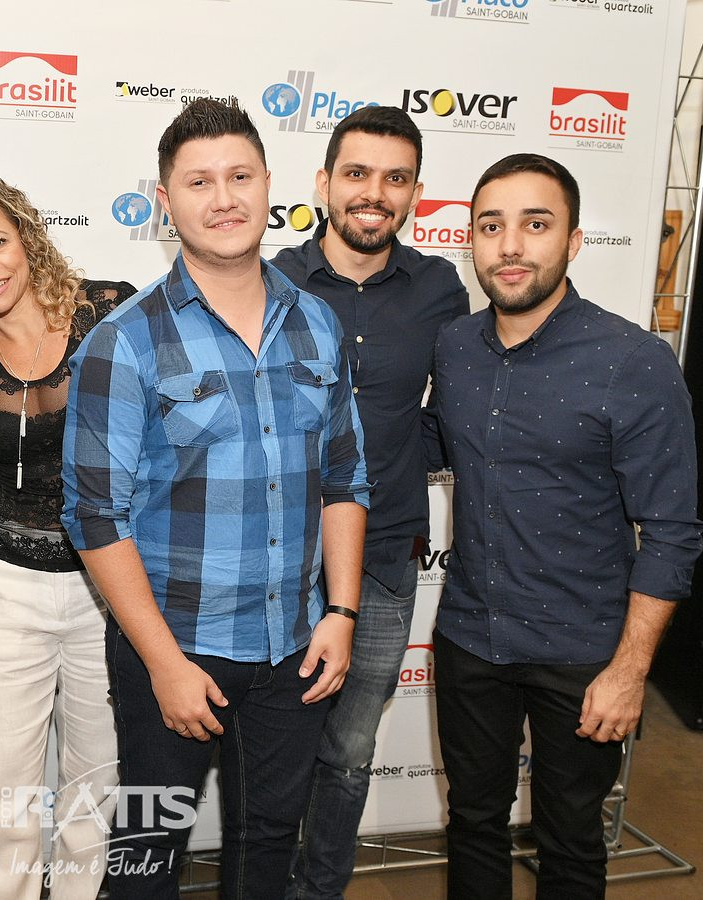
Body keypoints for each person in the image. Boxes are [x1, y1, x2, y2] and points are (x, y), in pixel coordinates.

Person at [62, 97, 371, 898]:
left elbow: (345, 477)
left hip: (295, 646)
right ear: (166, 202)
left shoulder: (317, 324)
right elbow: (95, 518)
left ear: (269, 185)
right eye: (199, 182)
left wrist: (341, 612)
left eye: (240, 177)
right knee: (146, 859)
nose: (224, 198)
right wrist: (164, 665)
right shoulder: (124, 341)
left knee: (267, 851)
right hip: (175, 646)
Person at [425, 153, 702, 899]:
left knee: (571, 841)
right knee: (472, 821)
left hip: (583, 652)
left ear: (574, 241)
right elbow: (430, 444)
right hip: (471, 636)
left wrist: (630, 671)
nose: (511, 245)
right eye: (491, 226)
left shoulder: (633, 361)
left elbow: (672, 532)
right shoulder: (455, 348)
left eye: (536, 224)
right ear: (472, 242)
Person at [0, 173, 134, 898]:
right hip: (5, 586)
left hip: (109, 589)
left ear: (27, 237)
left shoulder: (108, 312)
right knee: (6, 799)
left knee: (93, 792)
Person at [270, 106, 469, 898]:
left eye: (395, 178)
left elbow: (458, 412)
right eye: (357, 173)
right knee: (274, 746)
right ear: (324, 183)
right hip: (278, 559)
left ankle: (319, 889)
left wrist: (396, 460)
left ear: (415, 193)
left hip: (385, 556)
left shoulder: (439, 289)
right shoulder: (272, 280)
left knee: (349, 750)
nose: (373, 193)